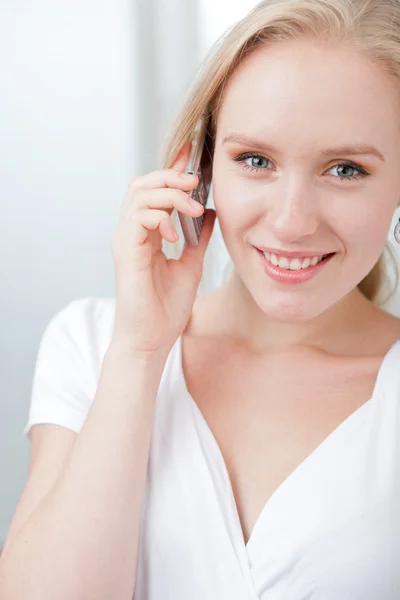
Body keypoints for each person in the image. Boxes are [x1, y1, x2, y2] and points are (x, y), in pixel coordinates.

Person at [1, 0, 400, 597]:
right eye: (255, 160)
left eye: (345, 170)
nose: (291, 223)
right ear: (201, 166)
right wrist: (140, 351)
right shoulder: (92, 345)